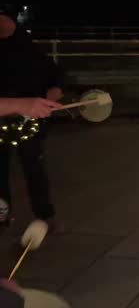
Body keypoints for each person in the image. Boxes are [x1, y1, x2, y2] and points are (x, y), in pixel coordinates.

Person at [0, 12, 64, 229]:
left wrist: (55, 87)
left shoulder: (28, 46)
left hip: (28, 120)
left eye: (2, 18)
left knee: (34, 168)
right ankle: (2, 216)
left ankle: (45, 215)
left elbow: (52, 73)